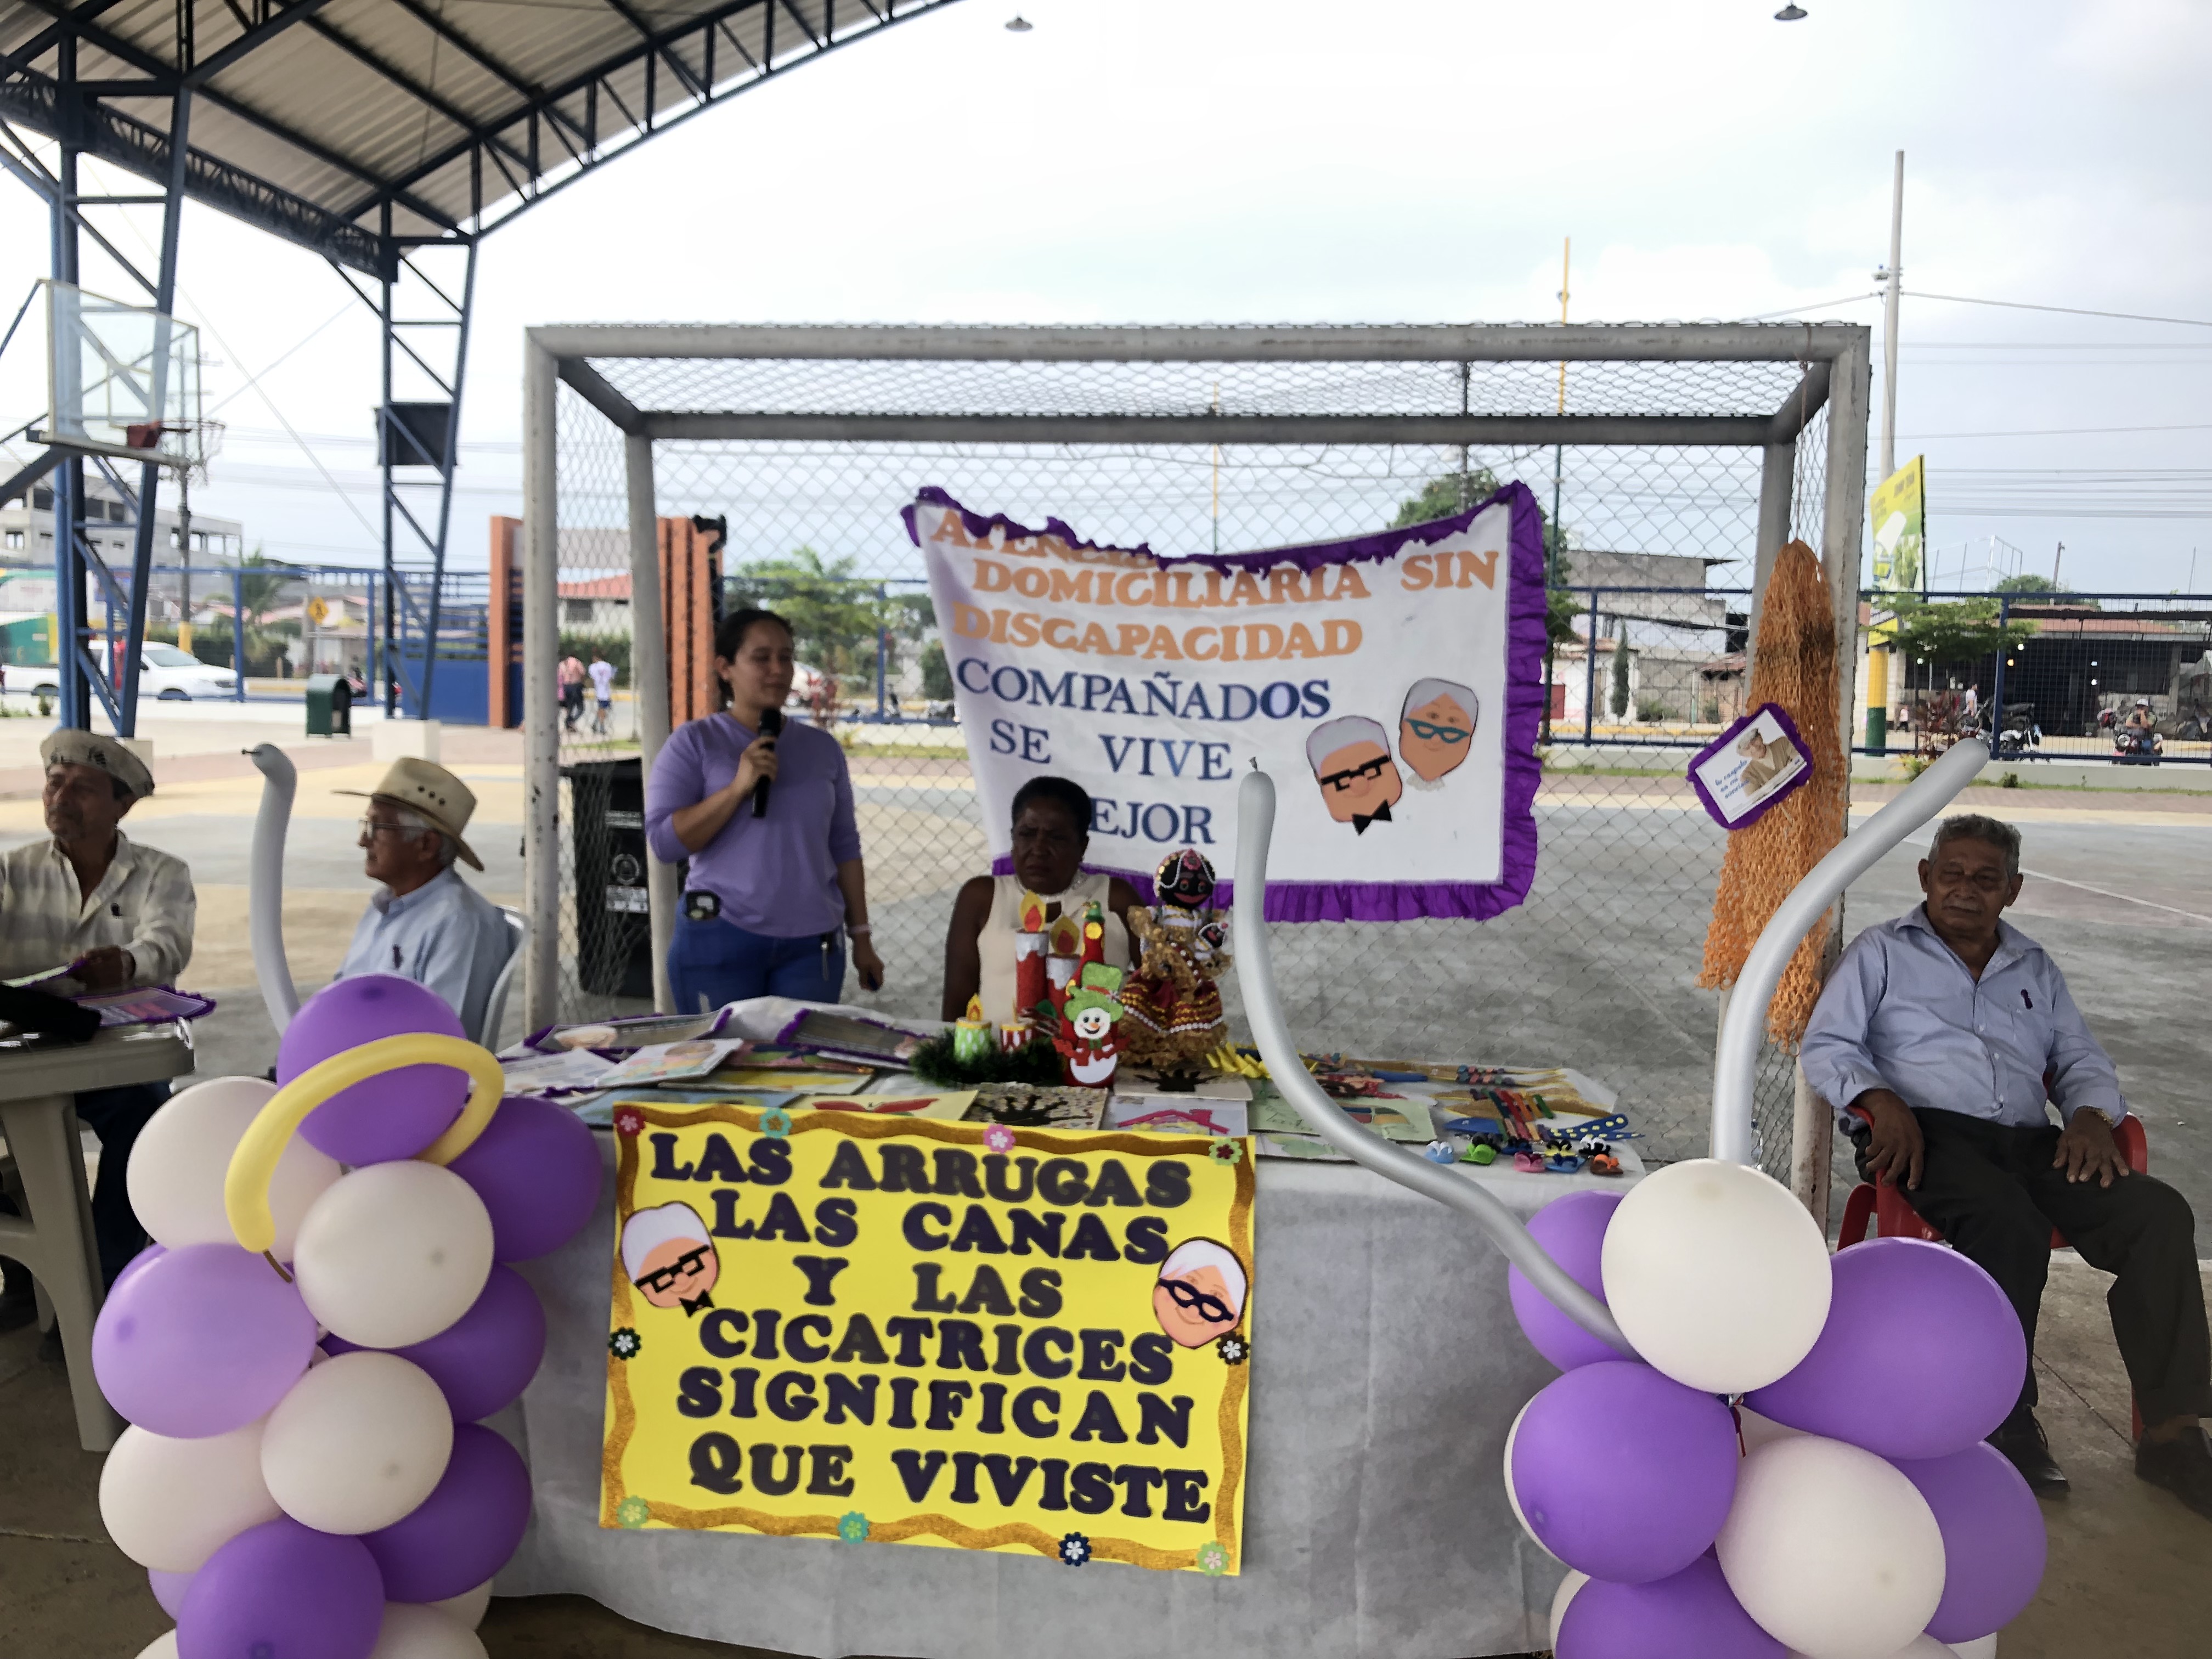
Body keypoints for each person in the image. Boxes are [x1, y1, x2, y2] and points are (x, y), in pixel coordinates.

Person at [1801, 813, 2212, 1514]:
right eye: (1952, 874)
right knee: (2008, 1222)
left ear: (2012, 890)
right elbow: (1829, 1044)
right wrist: (1879, 1098)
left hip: (2029, 1142)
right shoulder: (1882, 952)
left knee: (2158, 1215)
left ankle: (2173, 1434)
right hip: (1925, 1138)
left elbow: (2079, 1057)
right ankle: (2003, 1418)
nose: (1966, 889)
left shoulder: (2034, 966)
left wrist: (2090, 1115)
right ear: (1926, 877)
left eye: (1986, 879)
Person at [0, 731, 195, 1331]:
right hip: (19, 1050)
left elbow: (167, 944)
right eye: (54, 783)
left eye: (82, 789)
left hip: (114, 1056)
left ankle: (101, 1285)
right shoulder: (11, 871)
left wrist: (128, 964)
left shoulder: (162, 873)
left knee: (145, 1119)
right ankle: (27, 1274)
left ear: (122, 805)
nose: (61, 798)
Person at [644, 608, 884, 1010]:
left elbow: (844, 846)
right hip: (719, 935)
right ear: (725, 668)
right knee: (723, 1050)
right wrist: (736, 789)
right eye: (761, 658)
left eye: (786, 657)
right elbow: (665, 844)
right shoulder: (695, 742)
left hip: (812, 944)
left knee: (800, 1050)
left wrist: (861, 937)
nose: (778, 670)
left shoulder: (822, 749)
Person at [330, 757, 514, 1041]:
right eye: (366, 825)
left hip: (388, 1066)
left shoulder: (460, 922)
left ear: (426, 844)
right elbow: (339, 1001)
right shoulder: (384, 907)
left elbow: (443, 1041)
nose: (363, 841)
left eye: (377, 828)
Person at [940, 775, 1136, 1022]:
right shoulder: (982, 897)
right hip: (997, 1047)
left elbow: (1159, 992)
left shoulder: (1115, 898)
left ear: (1082, 846)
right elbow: (955, 1012)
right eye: (1027, 834)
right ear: (1013, 839)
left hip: (1094, 1046)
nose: (1039, 849)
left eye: (1056, 837)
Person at [589, 648, 616, 737]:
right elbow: (611, 678)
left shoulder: (593, 667)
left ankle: (596, 723)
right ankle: (601, 726)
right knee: (603, 709)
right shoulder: (607, 666)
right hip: (606, 691)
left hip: (599, 691)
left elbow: (592, 679)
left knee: (602, 709)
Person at [558, 651, 586, 732]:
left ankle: (569, 724)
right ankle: (570, 721)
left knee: (570, 706)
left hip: (566, 686)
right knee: (581, 708)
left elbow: (560, 676)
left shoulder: (562, 664)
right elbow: (582, 672)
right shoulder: (577, 662)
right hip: (575, 685)